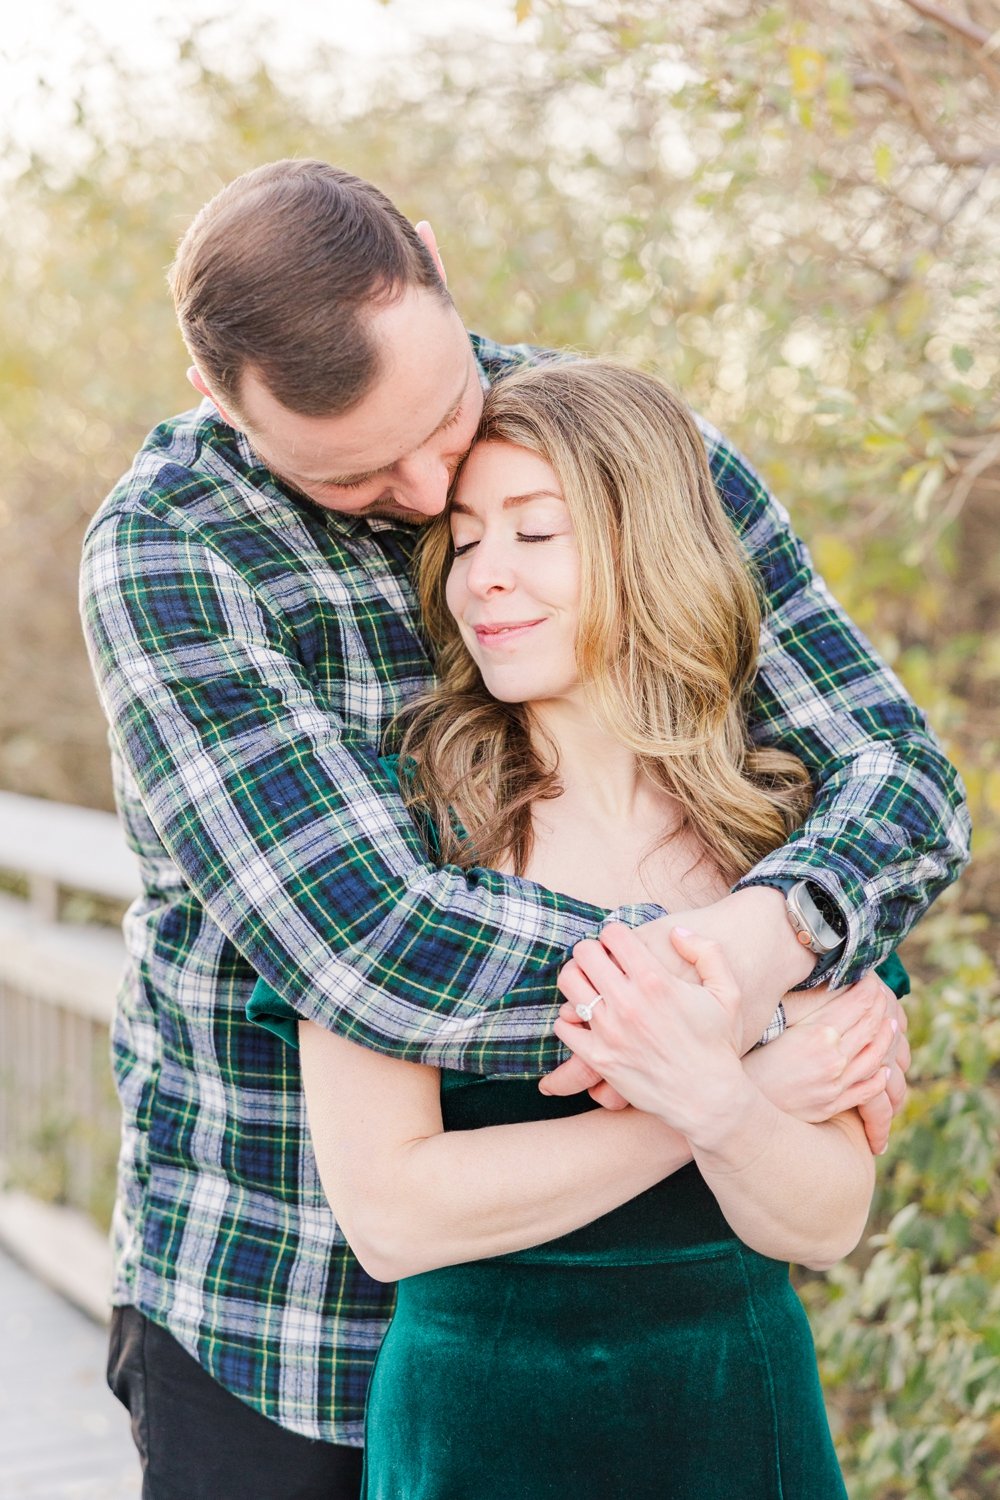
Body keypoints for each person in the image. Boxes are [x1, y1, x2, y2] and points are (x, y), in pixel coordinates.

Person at [79, 159, 968, 1499]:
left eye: (444, 417)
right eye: (360, 477)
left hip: (653, 1349)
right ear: (222, 400)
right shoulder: (171, 557)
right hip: (285, 1303)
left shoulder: (625, 457)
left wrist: (776, 927)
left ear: (434, 260)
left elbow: (896, 777)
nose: (439, 494)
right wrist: (726, 1036)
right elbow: (377, 949)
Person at [269, 358, 894, 1497]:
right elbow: (392, 1217)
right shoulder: (398, 827)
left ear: (646, 546)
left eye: (534, 534)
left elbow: (826, 1217)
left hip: (738, 1412)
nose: (482, 579)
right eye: (463, 541)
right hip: (482, 1428)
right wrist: (713, 1099)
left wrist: (717, 1097)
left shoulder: (783, 840)